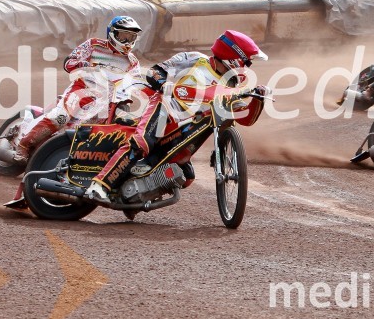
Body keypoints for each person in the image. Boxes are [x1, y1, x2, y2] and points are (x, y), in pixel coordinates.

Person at [85, 30, 268, 202]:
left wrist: (258, 100)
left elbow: (245, 118)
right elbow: (155, 71)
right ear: (234, 58)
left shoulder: (232, 86)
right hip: (166, 108)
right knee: (142, 143)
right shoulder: (195, 59)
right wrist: (163, 83)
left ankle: (132, 198)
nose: (247, 68)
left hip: (187, 129)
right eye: (247, 62)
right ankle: (99, 185)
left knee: (186, 176)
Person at [13, 17, 144, 164]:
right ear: (112, 33)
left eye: (131, 37)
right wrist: (83, 64)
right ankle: (24, 146)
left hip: (108, 100)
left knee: (112, 128)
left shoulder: (132, 62)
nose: (127, 41)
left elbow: (137, 83)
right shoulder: (94, 45)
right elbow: (68, 62)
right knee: (60, 117)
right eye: (123, 36)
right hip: (82, 89)